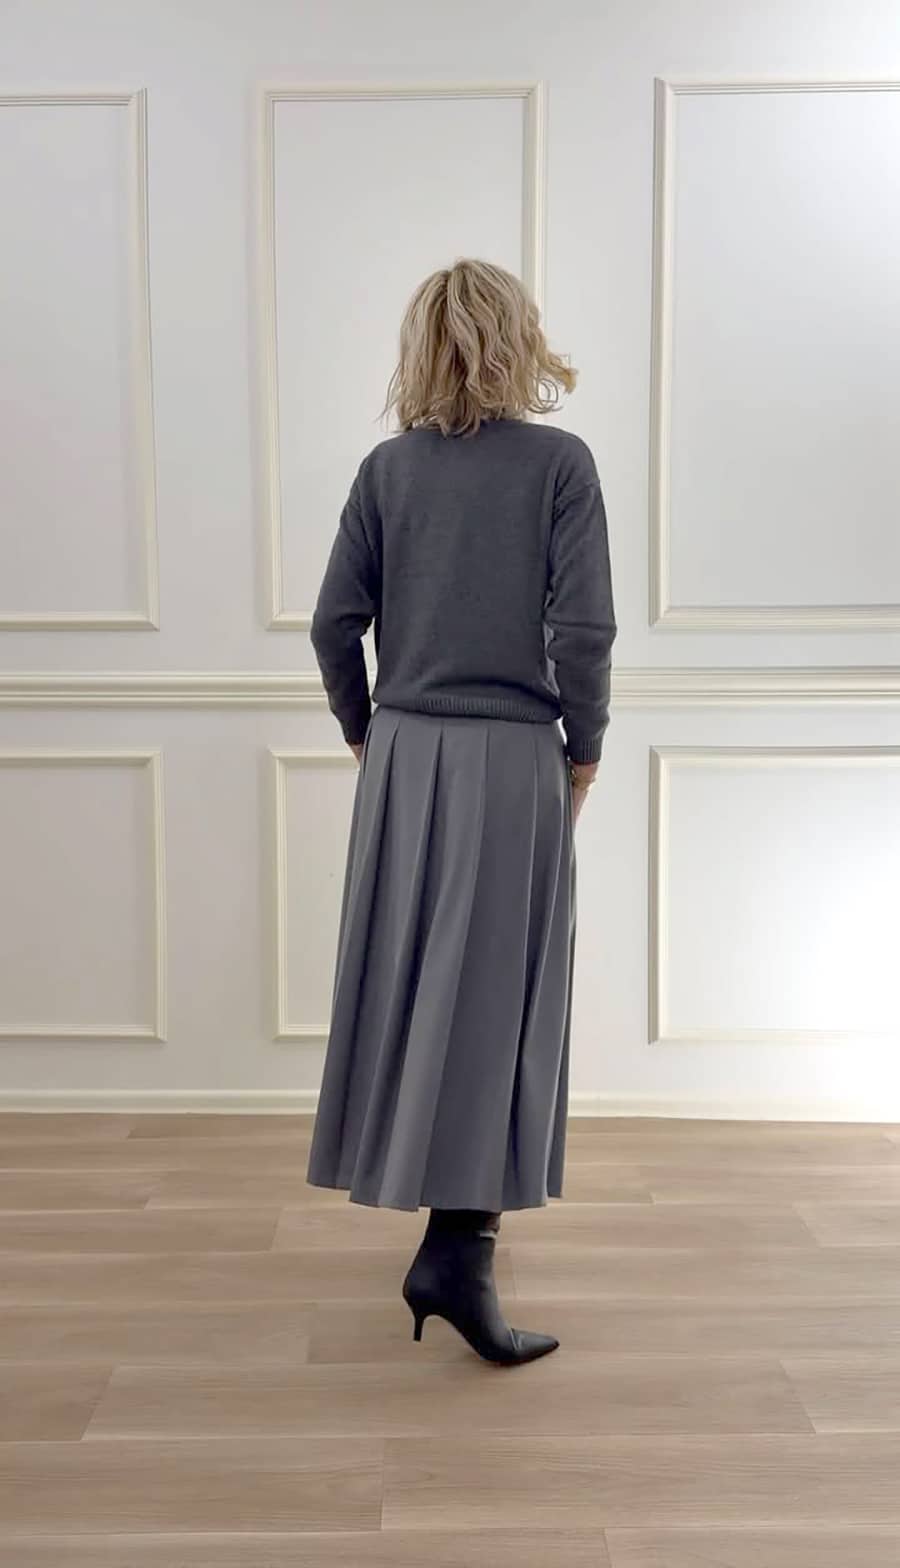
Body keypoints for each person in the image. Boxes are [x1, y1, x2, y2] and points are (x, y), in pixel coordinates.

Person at [305, 257, 616, 1366]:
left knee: (415, 990)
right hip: (513, 757)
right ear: (519, 340)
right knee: (501, 1001)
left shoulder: (386, 470)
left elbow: (333, 623)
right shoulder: (560, 466)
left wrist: (365, 730)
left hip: (404, 753)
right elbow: (583, 632)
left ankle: (451, 1247)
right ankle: (459, 1252)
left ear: (420, 347)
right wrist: (585, 746)